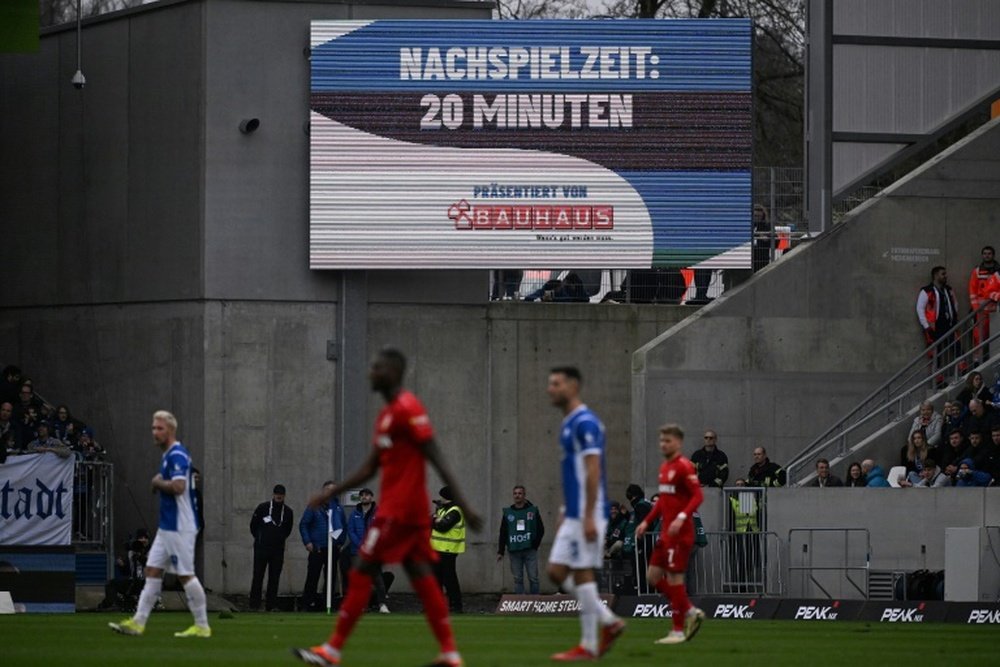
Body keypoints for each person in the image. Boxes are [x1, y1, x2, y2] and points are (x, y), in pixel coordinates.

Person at [292, 348, 482, 667]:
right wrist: (333, 492)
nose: (371, 372)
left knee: (363, 567)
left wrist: (463, 503)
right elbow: (371, 467)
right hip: (408, 512)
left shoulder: (408, 408)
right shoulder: (387, 415)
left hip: (399, 512)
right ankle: (449, 653)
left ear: (393, 372)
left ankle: (333, 650)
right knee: (421, 575)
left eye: (377, 367)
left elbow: (435, 453)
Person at [544, 366, 625, 662]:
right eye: (549, 384)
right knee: (556, 571)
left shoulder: (586, 422)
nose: (550, 389)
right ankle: (607, 622)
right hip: (575, 512)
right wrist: (565, 509)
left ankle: (591, 642)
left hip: (589, 512)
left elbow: (593, 470)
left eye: (556, 383)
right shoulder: (568, 423)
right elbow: (573, 474)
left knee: (581, 573)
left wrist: (589, 514)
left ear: (574, 386)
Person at [109, 410, 210, 638]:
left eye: (160, 428)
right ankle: (138, 622)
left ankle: (202, 625)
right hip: (167, 526)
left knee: (185, 575)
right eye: (153, 428)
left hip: (179, 525)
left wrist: (157, 482)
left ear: (171, 430)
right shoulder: (168, 455)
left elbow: (178, 487)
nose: (155, 432)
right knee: (152, 571)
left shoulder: (177, 455)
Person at [635, 424, 706, 645]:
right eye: (661, 441)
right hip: (665, 533)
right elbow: (663, 500)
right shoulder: (665, 467)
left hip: (680, 533)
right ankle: (690, 611)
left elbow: (697, 497)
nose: (663, 444)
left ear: (678, 443)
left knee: (675, 579)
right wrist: (646, 521)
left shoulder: (685, 466)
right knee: (652, 577)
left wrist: (682, 517)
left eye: (668, 441)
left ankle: (676, 630)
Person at [299, 481, 346, 612]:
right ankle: (307, 604)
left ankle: (328, 603)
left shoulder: (338, 508)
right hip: (317, 547)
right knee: (312, 577)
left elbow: (343, 526)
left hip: (333, 548)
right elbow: (304, 524)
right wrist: (307, 542)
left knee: (331, 578)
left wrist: (340, 542)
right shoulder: (314, 507)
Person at [342, 488, 389, 613]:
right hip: (357, 552)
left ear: (372, 497)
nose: (364, 497)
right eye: (362, 495)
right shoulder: (354, 513)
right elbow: (350, 530)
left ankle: (382, 604)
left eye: (367, 495)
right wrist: (361, 545)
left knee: (377, 578)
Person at [249, 484, 294, 611]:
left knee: (274, 577)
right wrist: (259, 538)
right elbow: (253, 525)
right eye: (277, 494)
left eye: (281, 494)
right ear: (273, 494)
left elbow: (288, 529)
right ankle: (254, 604)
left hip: (278, 550)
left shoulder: (288, 512)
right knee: (258, 576)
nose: (279, 496)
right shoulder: (263, 508)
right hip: (261, 548)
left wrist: (280, 539)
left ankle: (271, 604)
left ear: (284, 496)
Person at [916, 265, 962, 385]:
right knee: (937, 353)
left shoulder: (948, 289)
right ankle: (938, 380)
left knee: (957, 347)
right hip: (934, 327)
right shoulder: (926, 291)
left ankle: (963, 370)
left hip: (950, 325)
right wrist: (926, 326)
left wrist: (954, 317)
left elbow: (955, 304)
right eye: (943, 274)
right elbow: (920, 309)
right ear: (936, 275)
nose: (946, 276)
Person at [496, 484, 545, 595]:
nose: (517, 496)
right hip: (514, 550)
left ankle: (535, 603)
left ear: (524, 495)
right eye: (515, 493)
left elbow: (541, 529)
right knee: (518, 579)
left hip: (529, 550)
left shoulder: (532, 511)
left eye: (520, 493)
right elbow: (503, 532)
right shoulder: (508, 513)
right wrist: (500, 551)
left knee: (533, 578)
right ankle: (521, 605)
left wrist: (534, 544)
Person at [431, 486, 466, 614]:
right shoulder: (443, 510)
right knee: (436, 579)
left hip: (448, 550)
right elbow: (432, 523)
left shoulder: (455, 511)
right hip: (437, 549)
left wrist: (435, 519)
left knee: (449, 579)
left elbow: (442, 527)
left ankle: (456, 606)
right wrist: (436, 519)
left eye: (442, 496)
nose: (440, 499)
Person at [968, 246, 999, 363]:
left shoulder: (998, 271)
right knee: (978, 338)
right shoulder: (977, 271)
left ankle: (994, 361)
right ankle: (977, 362)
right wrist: (976, 309)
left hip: (996, 311)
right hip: (981, 312)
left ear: (993, 255)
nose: (987, 256)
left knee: (995, 339)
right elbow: (972, 291)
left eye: (989, 253)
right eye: (985, 253)